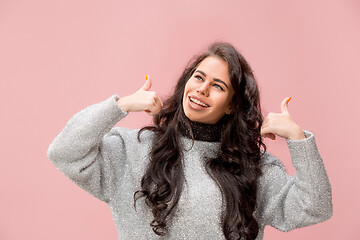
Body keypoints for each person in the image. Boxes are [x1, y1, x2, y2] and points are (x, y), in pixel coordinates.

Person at [47, 42, 333, 240]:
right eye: (198, 77)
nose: (202, 89)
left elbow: (315, 206)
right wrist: (119, 105)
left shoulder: (253, 169)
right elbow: (65, 152)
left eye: (218, 86)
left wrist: (298, 140)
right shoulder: (132, 150)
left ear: (232, 105)